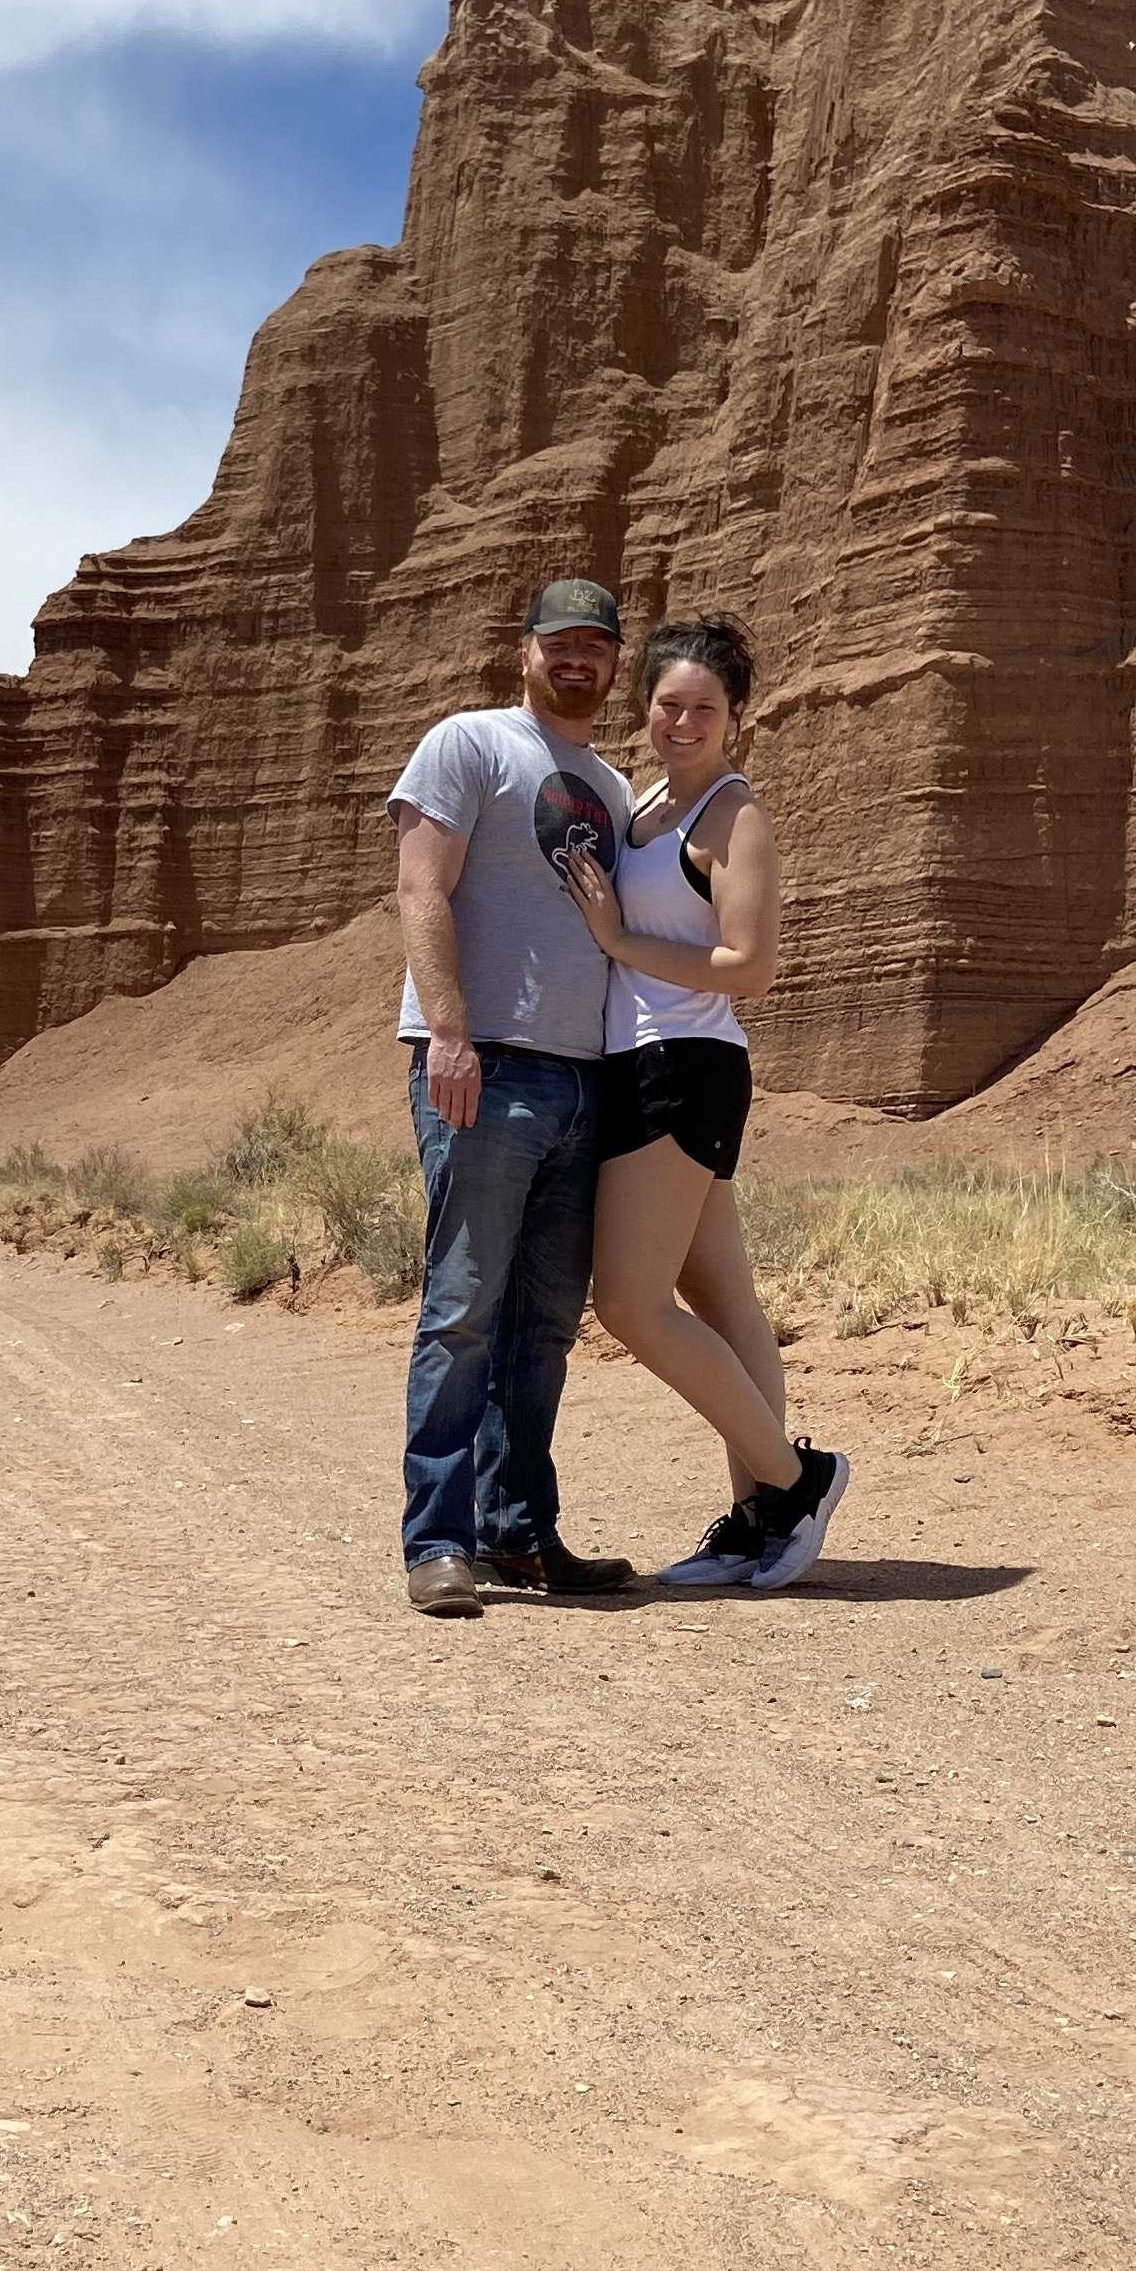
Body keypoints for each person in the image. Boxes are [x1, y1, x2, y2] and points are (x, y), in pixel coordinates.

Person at [559, 613, 849, 1590]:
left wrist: (618, 939)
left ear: (736, 718)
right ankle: (757, 1522)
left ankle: (794, 1480)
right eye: (668, 704)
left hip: (685, 1067)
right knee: (724, 1302)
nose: (682, 722)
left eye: (704, 709)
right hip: (637, 1064)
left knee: (631, 1304)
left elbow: (750, 966)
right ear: (646, 707)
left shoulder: (733, 815)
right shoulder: (645, 806)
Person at [389, 579, 649, 1618]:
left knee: (542, 1324)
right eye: (560, 643)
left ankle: (516, 1532)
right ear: (525, 650)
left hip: (585, 1081)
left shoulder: (615, 787)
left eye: (596, 646)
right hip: (486, 1066)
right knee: (462, 1311)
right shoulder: (468, 744)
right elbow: (420, 888)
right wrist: (448, 1033)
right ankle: (438, 1540)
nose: (576, 660)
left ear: (615, 664)